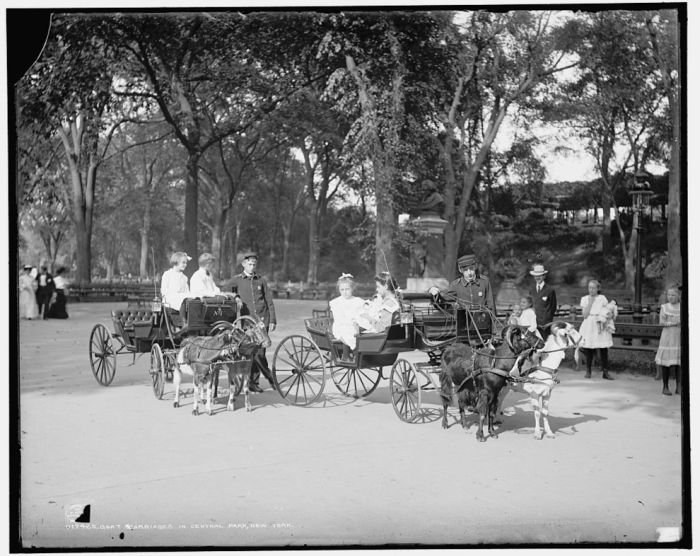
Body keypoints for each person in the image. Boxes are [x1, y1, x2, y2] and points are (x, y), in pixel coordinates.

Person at [230, 252, 276, 393]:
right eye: (249, 264)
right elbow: (230, 292)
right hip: (247, 322)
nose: (252, 266)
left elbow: (269, 301)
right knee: (251, 351)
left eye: (254, 264)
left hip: (262, 320)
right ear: (244, 264)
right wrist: (236, 297)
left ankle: (254, 382)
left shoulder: (261, 280)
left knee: (261, 352)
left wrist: (273, 320)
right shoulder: (237, 280)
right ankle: (254, 381)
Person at [428, 253, 496, 313]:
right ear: (460, 270)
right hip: (464, 324)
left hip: (482, 322)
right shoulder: (456, 285)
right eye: (466, 270)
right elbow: (443, 297)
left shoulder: (484, 282)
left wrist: (493, 325)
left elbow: (491, 306)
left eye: (471, 268)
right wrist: (433, 290)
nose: (469, 273)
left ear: (475, 267)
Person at [578, 279, 615, 380]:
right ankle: (588, 370)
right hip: (589, 324)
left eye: (593, 288)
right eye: (589, 287)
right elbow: (585, 315)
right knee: (589, 348)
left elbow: (607, 310)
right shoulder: (585, 299)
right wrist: (590, 303)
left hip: (600, 323)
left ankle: (605, 372)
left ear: (598, 288)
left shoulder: (602, 298)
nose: (591, 290)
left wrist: (610, 313)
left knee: (603, 348)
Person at [329, 273, 365, 353]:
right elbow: (339, 319)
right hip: (341, 326)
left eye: (347, 289)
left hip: (356, 325)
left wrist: (358, 323)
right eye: (342, 290)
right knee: (349, 333)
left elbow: (361, 314)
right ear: (339, 290)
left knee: (367, 331)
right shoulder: (337, 303)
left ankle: (363, 352)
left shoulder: (357, 301)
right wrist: (352, 323)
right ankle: (350, 353)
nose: (345, 292)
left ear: (352, 288)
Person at [656, 286, 681, 396]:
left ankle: (679, 386)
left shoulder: (682, 307)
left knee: (678, 363)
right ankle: (665, 386)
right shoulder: (664, 307)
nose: (670, 297)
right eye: (669, 295)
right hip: (667, 337)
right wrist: (673, 323)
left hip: (678, 337)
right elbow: (661, 322)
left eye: (673, 295)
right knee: (666, 362)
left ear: (678, 296)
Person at [528, 263, 557, 339]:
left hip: (545, 324)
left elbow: (553, 307)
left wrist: (547, 318)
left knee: (545, 343)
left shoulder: (550, 290)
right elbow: (530, 305)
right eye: (536, 276)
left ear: (544, 276)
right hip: (533, 323)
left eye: (540, 275)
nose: (538, 277)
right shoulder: (531, 289)